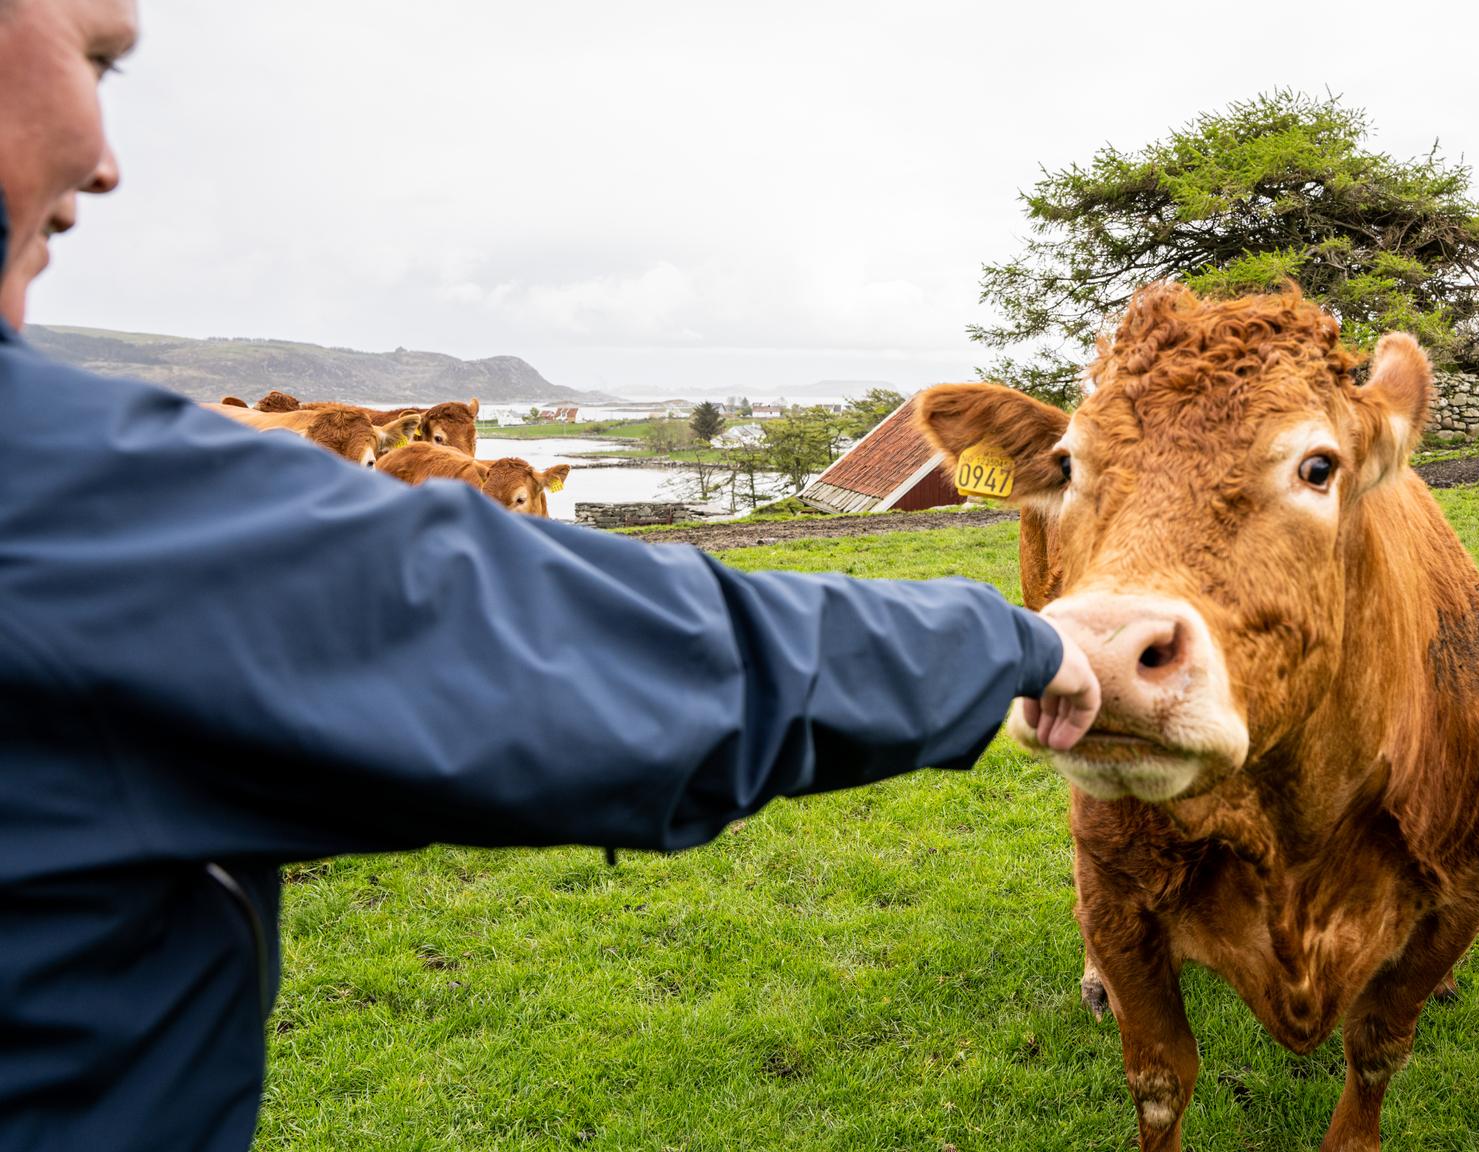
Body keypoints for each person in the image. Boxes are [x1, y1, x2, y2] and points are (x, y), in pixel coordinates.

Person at [0, 2, 1102, 1149]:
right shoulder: (52, 495)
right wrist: (1019, 643)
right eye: (95, 61)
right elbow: (559, 653)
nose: (107, 159)